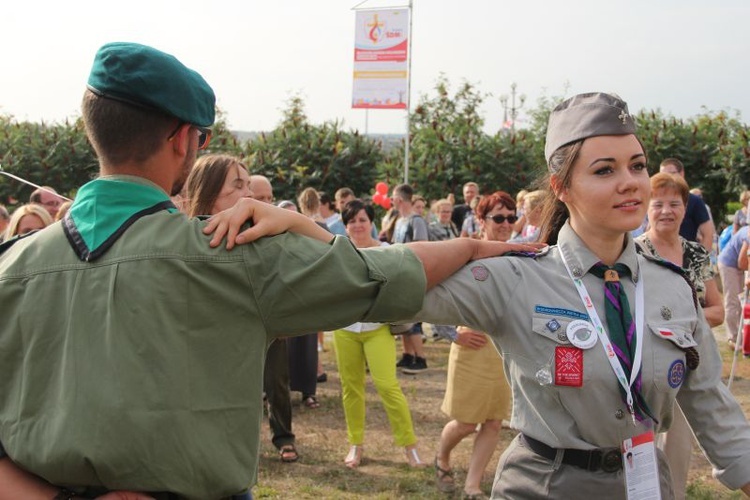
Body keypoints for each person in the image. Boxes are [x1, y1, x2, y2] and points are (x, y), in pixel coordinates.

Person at [0, 42, 536, 497]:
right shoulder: (232, 255)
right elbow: (387, 274)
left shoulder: (12, 262)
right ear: (185, 138)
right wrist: (468, 248)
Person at [412, 92, 750, 498]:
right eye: (605, 170)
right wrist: (465, 249)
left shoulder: (673, 286)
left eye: (637, 165)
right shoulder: (518, 277)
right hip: (545, 486)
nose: (630, 181)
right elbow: (374, 284)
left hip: (644, 483)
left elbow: (713, 407)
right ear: (562, 187)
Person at [634, 172, 725, 498]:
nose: (666, 211)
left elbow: (717, 309)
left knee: (680, 441)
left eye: (674, 203)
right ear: (646, 207)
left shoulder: (698, 255)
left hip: (690, 361)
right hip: (644, 363)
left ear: (686, 209)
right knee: (641, 438)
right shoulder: (633, 253)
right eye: (658, 204)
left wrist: (683, 323)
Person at [332, 199, 425, 469]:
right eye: (351, 221)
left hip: (378, 329)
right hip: (346, 329)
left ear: (371, 221)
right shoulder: (338, 251)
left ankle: (410, 446)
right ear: (345, 224)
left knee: (387, 386)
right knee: (351, 388)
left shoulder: (387, 251)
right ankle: (355, 444)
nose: (357, 225)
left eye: (362, 219)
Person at [435, 191, 515, 499]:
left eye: (510, 217)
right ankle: (441, 458)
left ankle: (472, 485)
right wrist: (454, 334)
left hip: (502, 352)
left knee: (494, 422)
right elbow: (434, 297)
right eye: (498, 218)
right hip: (471, 347)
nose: (505, 224)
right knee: (466, 423)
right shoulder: (463, 254)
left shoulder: (518, 254)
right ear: (481, 220)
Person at [390, 183, 430, 374]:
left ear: (399, 199)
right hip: (400, 272)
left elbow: (422, 246)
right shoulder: (399, 220)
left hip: (413, 272)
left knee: (414, 319)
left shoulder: (417, 220)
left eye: (392, 197)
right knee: (403, 317)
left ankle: (420, 357)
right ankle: (408, 354)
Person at [659, 158, 714, 252]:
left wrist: (700, 262)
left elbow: (708, 234)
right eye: (662, 175)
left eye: (670, 174)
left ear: (681, 173)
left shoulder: (694, 201)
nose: (666, 179)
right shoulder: (654, 201)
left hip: (686, 257)